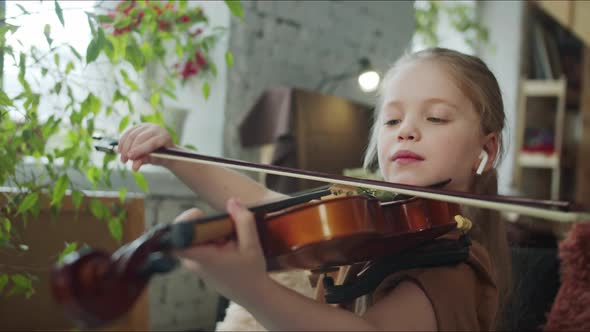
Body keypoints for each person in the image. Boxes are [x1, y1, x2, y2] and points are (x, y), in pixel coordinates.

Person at [118, 47, 511, 331]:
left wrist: (250, 287)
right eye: (392, 121)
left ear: (486, 148)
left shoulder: (455, 266)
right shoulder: (373, 222)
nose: (406, 130)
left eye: (436, 117)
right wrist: (173, 156)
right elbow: (264, 203)